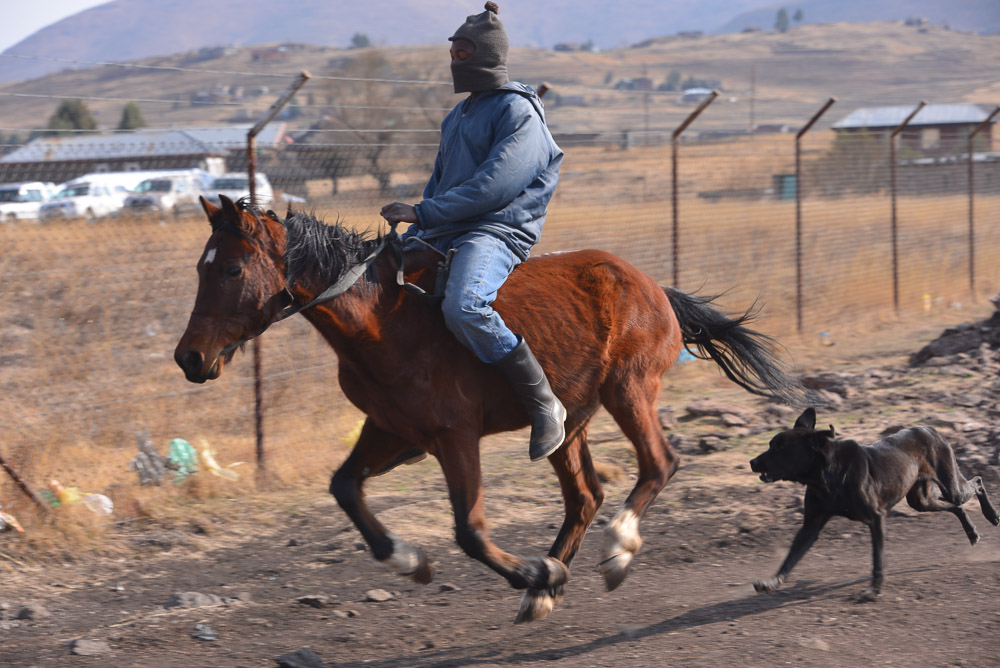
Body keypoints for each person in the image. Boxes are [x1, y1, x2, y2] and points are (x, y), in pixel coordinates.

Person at [380, 2, 566, 462]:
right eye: (454, 53)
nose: (455, 61)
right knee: (378, 282)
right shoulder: (460, 114)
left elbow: (494, 187)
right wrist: (415, 228)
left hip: (496, 230)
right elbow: (440, 183)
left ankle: (544, 404)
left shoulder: (517, 112)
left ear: (488, 54)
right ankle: (418, 418)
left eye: (464, 53)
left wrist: (423, 213)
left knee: (465, 307)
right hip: (448, 228)